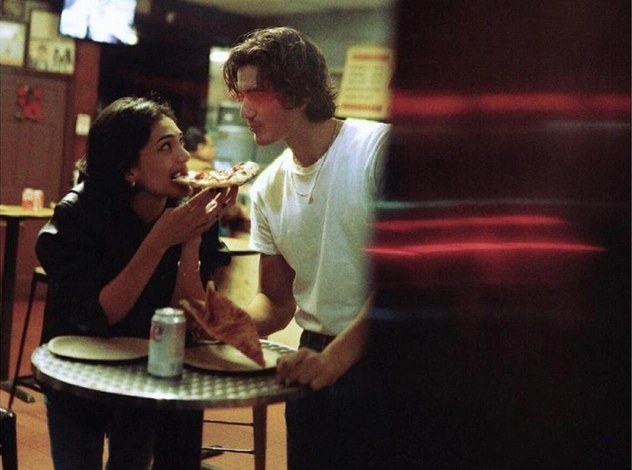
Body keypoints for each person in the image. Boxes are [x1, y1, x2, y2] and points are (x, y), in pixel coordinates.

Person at [35, 96, 236, 469]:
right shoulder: (78, 216)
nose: (184, 157)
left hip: (147, 372)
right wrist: (159, 241)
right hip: (78, 373)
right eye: (166, 147)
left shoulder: (185, 211)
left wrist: (192, 236)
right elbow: (101, 315)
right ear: (129, 169)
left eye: (180, 143)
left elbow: (186, 314)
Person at [222, 27, 391, 469]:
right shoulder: (268, 188)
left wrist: (335, 360)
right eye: (240, 95)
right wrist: (223, 328)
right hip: (314, 357)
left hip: (388, 357)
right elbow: (275, 302)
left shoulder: (377, 150)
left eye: (255, 94)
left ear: (298, 90)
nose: (244, 110)